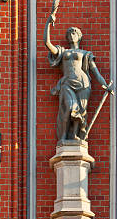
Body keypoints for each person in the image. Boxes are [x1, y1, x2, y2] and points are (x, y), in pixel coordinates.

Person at [44, 13, 112, 142]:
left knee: (80, 112)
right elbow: (47, 43)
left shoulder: (85, 54)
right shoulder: (63, 52)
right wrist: (48, 23)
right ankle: (63, 137)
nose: (71, 35)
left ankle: (75, 135)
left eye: (74, 33)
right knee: (68, 109)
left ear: (79, 37)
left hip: (83, 83)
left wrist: (105, 85)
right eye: (69, 33)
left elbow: (95, 72)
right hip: (67, 83)